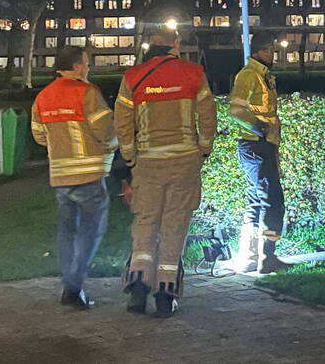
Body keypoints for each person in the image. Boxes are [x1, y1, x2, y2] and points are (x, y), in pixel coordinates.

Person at [115, 29, 216, 318]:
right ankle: (164, 295)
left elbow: (122, 123)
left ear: (151, 45)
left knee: (145, 225)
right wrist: (204, 150)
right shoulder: (194, 73)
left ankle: (137, 289)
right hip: (184, 162)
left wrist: (131, 158)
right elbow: (208, 116)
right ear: (174, 45)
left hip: (147, 164)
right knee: (174, 228)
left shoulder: (132, 77)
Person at [31, 46, 117, 309]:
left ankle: (70, 284)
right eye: (87, 63)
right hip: (88, 173)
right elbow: (106, 130)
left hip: (60, 176)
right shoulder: (87, 93)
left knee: (67, 231)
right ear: (78, 66)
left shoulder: (43, 97)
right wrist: (114, 147)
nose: (88, 68)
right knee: (90, 232)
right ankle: (73, 286)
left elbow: (38, 135)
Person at [228, 34, 291, 274]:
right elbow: (235, 110)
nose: (273, 55)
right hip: (257, 144)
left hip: (259, 144)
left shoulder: (261, 75)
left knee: (256, 201)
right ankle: (267, 257)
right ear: (260, 52)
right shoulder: (249, 75)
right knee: (271, 200)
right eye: (270, 51)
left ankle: (251, 256)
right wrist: (261, 128)